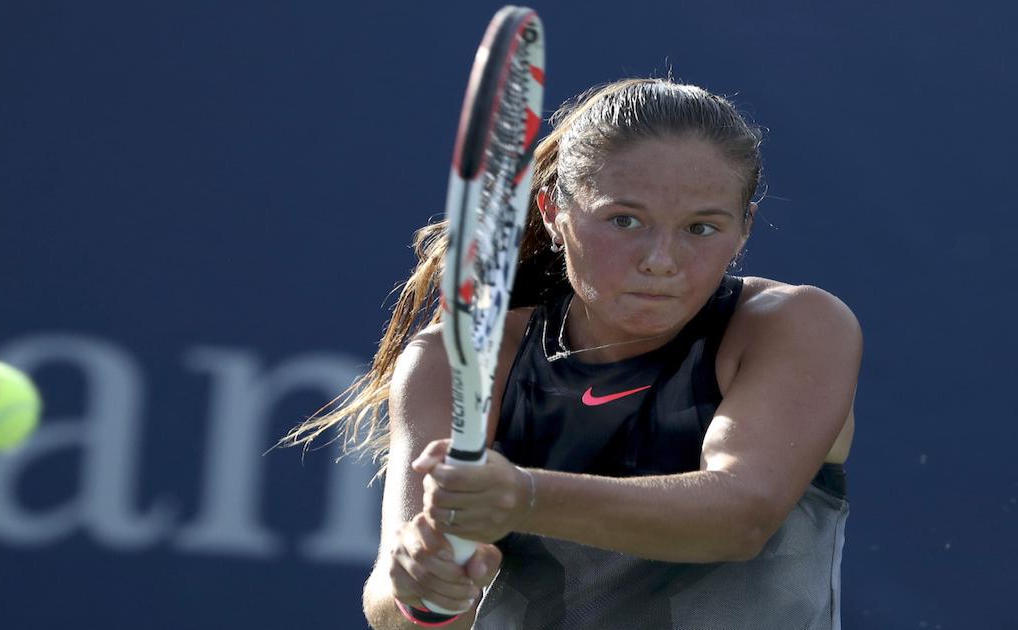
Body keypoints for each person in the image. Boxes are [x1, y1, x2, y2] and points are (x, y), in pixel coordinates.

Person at [284, 78, 860, 630]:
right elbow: (397, 609)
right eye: (624, 220)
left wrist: (523, 497)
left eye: (701, 228)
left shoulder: (797, 325)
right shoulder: (459, 358)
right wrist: (426, 591)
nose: (661, 260)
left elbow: (741, 518)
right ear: (552, 212)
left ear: (744, 229)